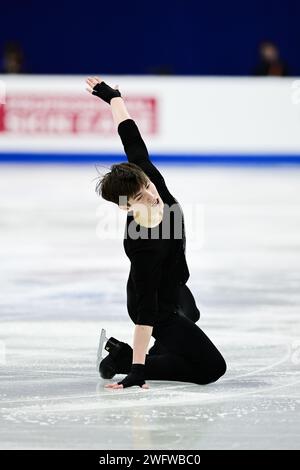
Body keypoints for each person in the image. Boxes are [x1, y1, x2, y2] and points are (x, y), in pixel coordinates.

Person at [86, 76, 226, 389]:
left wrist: (114, 99)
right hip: (155, 306)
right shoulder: (142, 244)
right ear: (125, 206)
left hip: (174, 288)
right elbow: (146, 310)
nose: (152, 196)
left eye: (147, 187)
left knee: (192, 313)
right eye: (139, 198)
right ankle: (123, 358)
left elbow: (131, 139)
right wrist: (137, 371)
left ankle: (138, 354)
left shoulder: (149, 180)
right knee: (210, 369)